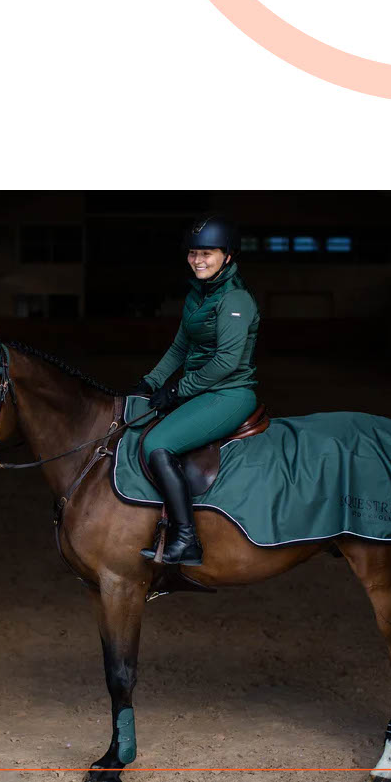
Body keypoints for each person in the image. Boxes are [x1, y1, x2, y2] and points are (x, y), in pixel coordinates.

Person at [135, 215, 260, 566]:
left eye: (207, 253)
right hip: (200, 390)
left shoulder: (235, 300)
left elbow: (226, 363)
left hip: (230, 393)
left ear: (228, 256)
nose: (198, 260)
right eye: (193, 253)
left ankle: (186, 539)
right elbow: (179, 347)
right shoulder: (197, 295)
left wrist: (176, 391)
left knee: (157, 444)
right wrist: (152, 381)